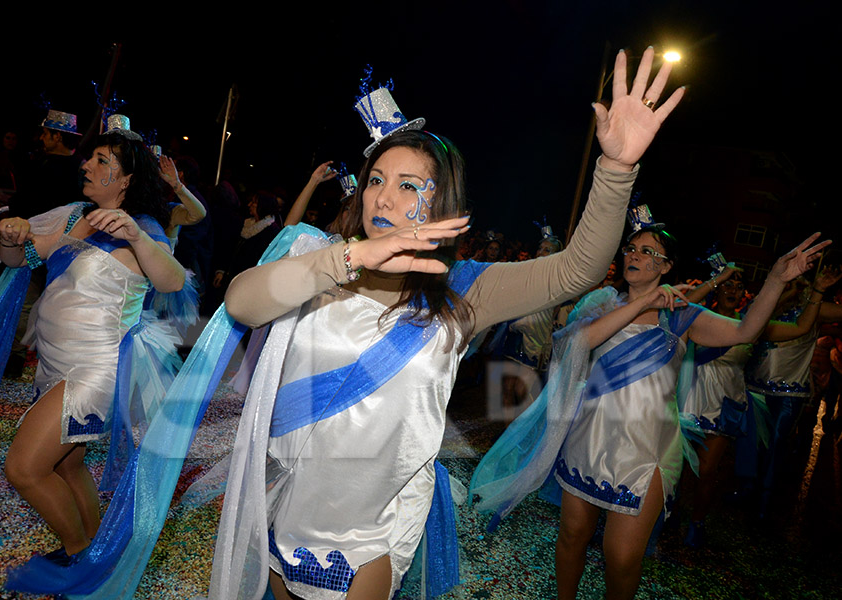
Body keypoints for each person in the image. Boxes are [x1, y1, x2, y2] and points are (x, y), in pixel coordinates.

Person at [211, 46, 685, 600]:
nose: (384, 198)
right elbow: (241, 303)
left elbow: (576, 269)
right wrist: (347, 260)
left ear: (442, 204)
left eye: (410, 186)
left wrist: (616, 169)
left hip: (372, 529)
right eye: (377, 180)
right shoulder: (320, 257)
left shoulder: (462, 288)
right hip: (287, 503)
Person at [471, 223, 827, 600]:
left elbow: (745, 331)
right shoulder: (603, 304)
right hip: (588, 438)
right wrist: (643, 302)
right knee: (572, 538)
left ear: (666, 266)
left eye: (647, 251)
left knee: (621, 557)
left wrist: (774, 279)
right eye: (631, 248)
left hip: (646, 450)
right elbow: (578, 342)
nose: (635, 255)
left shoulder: (682, 317)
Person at [0, 129, 184, 564]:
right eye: (89, 159)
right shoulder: (74, 215)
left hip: (91, 372)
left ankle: (80, 557)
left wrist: (136, 235)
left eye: (101, 160)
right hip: (53, 365)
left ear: (126, 180)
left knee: (24, 469)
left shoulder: (142, 228)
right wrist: (13, 237)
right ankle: (95, 547)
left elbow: (172, 281)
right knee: (66, 465)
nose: (86, 165)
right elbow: (23, 259)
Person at [679, 264, 841, 547]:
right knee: (676, 467)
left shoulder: (752, 326)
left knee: (707, 471)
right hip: (688, 400)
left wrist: (817, 290)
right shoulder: (696, 318)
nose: (733, 290)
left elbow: (802, 327)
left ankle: (697, 522)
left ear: (744, 295)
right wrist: (711, 281)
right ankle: (666, 510)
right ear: (718, 289)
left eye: (738, 287)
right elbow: (675, 309)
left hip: (724, 405)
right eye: (727, 285)